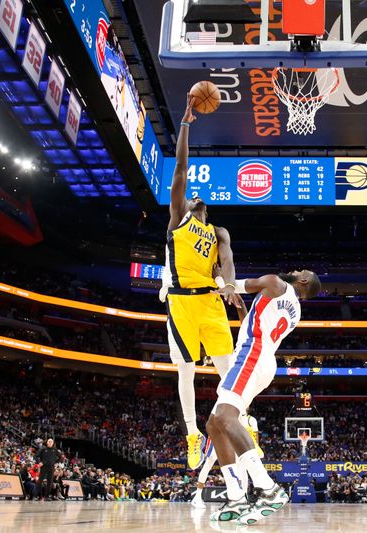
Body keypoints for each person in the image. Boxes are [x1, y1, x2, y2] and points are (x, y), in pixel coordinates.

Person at [159, 94, 243, 470]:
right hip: (180, 303)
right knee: (186, 370)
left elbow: (227, 259)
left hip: (210, 301)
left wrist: (229, 282)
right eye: (190, 196)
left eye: (198, 199)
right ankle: (193, 433)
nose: (194, 197)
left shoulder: (219, 231)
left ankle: (238, 420)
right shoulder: (178, 218)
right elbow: (180, 168)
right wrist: (186, 124)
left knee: (229, 369)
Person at [204, 270, 321, 525]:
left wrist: (219, 279)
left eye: (302, 271)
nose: (296, 270)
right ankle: (236, 496)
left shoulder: (275, 282)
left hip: (252, 353)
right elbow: (257, 321)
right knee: (214, 423)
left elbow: (233, 284)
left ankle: (266, 488)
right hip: (261, 357)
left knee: (225, 417)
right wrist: (240, 307)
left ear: (303, 281)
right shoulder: (295, 311)